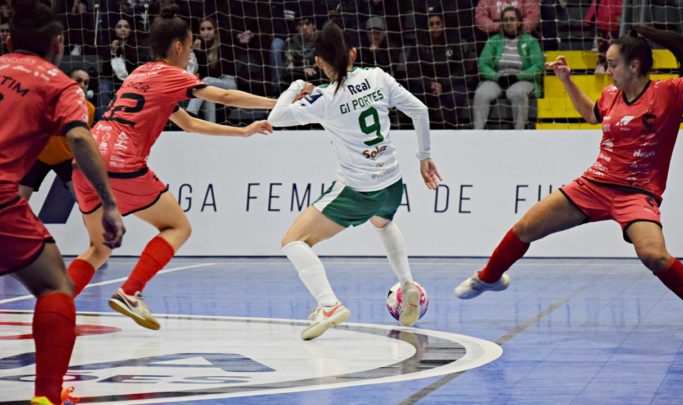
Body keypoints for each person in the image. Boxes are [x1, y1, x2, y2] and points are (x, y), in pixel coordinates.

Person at [454, 25, 683, 328]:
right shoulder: (610, 94)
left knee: (654, 255)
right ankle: (488, 278)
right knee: (527, 226)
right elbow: (591, 115)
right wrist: (566, 80)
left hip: (636, 193)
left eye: (612, 63)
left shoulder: (669, 92)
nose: (607, 70)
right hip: (593, 185)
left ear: (634, 66)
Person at [67, 4, 275, 331]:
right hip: (121, 161)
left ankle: (54, 306)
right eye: (191, 47)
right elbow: (225, 96)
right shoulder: (173, 74)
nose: (190, 54)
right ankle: (130, 292)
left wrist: (243, 131)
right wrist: (278, 103)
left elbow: (188, 123)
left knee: (98, 247)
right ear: (179, 46)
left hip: (87, 157)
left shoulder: (140, 73)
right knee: (177, 227)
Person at [268, 22, 442, 341]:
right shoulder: (377, 76)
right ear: (353, 54)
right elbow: (419, 110)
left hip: (357, 189)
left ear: (319, 62)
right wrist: (424, 156)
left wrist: (295, 86)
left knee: (293, 242)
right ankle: (407, 283)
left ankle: (329, 305)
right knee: (384, 222)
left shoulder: (322, 98)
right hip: (392, 182)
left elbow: (275, 118)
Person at [0, 2, 125, 404]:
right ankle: (46, 398)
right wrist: (108, 202)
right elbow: (79, 138)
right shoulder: (58, 84)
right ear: (58, 44)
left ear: (8, 41)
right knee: (55, 285)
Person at [19, 68, 96, 201]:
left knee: (86, 204)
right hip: (38, 156)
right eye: (78, 80)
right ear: (68, 81)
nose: (82, 85)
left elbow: (83, 137)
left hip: (67, 159)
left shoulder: (89, 109)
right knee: (16, 203)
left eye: (86, 83)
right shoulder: (48, 101)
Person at [472, 6, 543, 130]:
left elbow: (538, 66)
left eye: (512, 19)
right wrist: (496, 77)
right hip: (497, 79)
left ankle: (519, 134)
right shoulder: (493, 41)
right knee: (481, 93)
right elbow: (483, 64)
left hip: (522, 79)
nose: (508, 22)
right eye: (505, 19)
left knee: (517, 93)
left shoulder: (531, 41)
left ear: (519, 22)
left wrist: (517, 77)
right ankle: (477, 134)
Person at [185, 18, 237, 122]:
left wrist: (201, 55)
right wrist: (197, 53)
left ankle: (190, 112)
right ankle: (211, 125)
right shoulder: (199, 46)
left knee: (206, 81)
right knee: (208, 97)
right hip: (211, 83)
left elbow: (216, 73)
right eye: (202, 29)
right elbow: (202, 72)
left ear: (215, 31)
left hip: (228, 82)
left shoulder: (222, 46)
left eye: (209, 29)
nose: (206, 32)